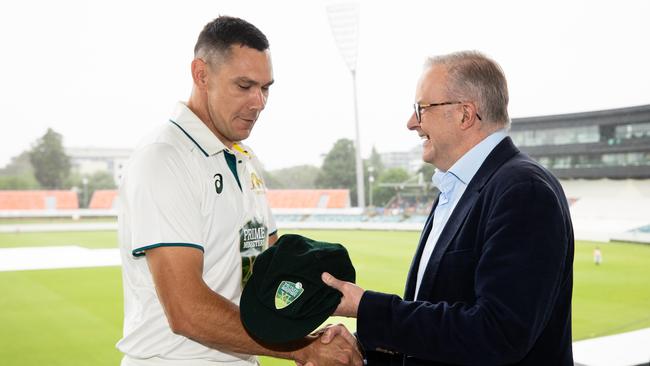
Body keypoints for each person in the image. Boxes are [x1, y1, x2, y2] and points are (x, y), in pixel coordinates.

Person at [117, 16, 361, 366]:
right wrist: (303, 347)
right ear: (201, 75)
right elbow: (186, 310)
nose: (259, 102)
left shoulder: (245, 160)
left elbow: (270, 268)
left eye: (265, 88)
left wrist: (328, 307)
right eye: (244, 86)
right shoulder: (164, 158)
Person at [320, 51, 575, 365]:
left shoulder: (524, 190)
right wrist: (362, 347)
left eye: (421, 108)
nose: (411, 122)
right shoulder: (457, 187)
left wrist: (367, 307)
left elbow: (499, 334)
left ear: (465, 114)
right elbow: (441, 323)